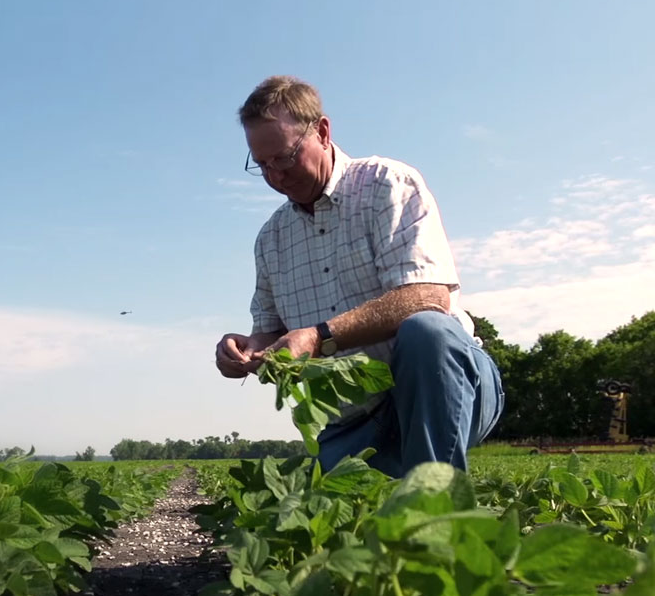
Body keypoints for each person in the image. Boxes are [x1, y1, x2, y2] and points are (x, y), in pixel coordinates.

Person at [214, 76, 503, 477]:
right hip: (353, 422)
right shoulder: (271, 239)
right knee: (319, 525)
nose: (276, 176)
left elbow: (427, 297)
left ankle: (438, 509)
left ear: (323, 131)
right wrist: (245, 348)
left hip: (441, 391)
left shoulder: (387, 184)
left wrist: (320, 336)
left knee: (428, 333)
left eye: (284, 157)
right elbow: (270, 332)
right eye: (261, 165)